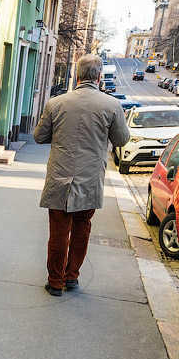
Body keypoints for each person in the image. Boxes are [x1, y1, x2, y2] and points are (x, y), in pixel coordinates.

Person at [33, 53, 129, 296]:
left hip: (60, 178)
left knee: (58, 231)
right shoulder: (111, 105)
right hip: (89, 180)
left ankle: (55, 281)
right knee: (82, 228)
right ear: (99, 77)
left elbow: (40, 136)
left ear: (77, 76)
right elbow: (121, 139)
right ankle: (71, 276)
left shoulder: (56, 104)